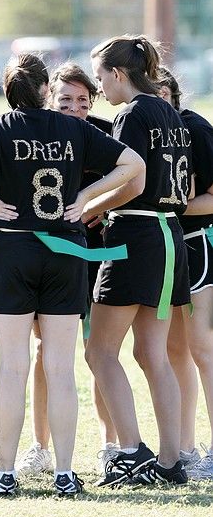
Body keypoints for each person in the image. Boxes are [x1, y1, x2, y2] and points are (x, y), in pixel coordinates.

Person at [0, 53, 144, 496]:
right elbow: (133, 165)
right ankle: (64, 472)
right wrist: (85, 196)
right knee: (61, 368)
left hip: (12, 248)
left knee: (13, 367)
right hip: (64, 250)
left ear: (7, 92)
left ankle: (5, 473)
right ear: (46, 90)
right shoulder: (74, 127)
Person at [86, 35, 192, 487]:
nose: (101, 90)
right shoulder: (170, 111)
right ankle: (171, 462)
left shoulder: (131, 113)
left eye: (100, 78)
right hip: (170, 234)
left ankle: (131, 452)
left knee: (98, 351)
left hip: (137, 235)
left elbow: (132, 180)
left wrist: (90, 207)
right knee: (154, 354)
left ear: (118, 74)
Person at [15, 62, 120, 478]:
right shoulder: (33, 132)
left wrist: (99, 204)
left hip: (97, 252)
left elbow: (132, 177)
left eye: (82, 100)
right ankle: (40, 445)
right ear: (48, 98)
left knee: (99, 351)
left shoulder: (102, 132)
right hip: (46, 253)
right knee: (47, 352)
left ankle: (110, 444)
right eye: (65, 100)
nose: (74, 108)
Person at [157, 67, 213, 480]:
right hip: (164, 246)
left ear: (172, 93)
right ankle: (186, 447)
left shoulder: (194, 127)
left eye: (160, 91)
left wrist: (169, 206)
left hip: (196, 244)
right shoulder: (146, 128)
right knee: (174, 351)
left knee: (203, 349)